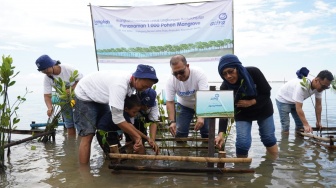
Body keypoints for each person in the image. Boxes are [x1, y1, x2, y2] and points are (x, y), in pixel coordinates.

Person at [73, 64, 159, 164]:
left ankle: (108, 157)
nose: (145, 89)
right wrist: (137, 137)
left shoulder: (131, 87)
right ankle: (84, 174)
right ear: (135, 78)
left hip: (100, 97)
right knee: (88, 135)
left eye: (148, 87)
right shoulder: (120, 85)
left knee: (105, 128)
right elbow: (117, 118)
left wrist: (146, 138)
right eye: (144, 86)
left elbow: (124, 122)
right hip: (85, 95)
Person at [215, 54, 278, 158]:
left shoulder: (254, 72)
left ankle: (273, 163)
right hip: (242, 113)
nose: (228, 76)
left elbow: (266, 93)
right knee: (242, 143)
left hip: (263, 108)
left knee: (268, 138)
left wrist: (252, 102)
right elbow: (224, 111)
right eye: (224, 74)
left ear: (238, 68)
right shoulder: (225, 86)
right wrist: (221, 133)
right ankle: (241, 169)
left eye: (231, 71)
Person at [35, 54, 83, 135]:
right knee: (69, 124)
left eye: (46, 70)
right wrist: (49, 108)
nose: (45, 73)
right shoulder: (47, 78)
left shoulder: (68, 69)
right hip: (64, 100)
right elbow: (47, 95)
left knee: (79, 122)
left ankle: (80, 145)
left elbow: (82, 81)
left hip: (78, 97)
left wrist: (71, 89)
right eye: (42, 71)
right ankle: (71, 145)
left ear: (52, 65)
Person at [275, 69, 334, 134]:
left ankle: (298, 142)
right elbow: (299, 108)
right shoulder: (302, 86)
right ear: (316, 80)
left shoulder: (320, 88)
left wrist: (318, 121)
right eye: (323, 86)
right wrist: (306, 124)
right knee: (285, 125)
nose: (324, 89)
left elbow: (318, 105)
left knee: (300, 126)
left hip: (295, 101)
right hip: (283, 99)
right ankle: (284, 142)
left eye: (326, 87)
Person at [166, 54, 209, 138]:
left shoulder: (199, 74)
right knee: (180, 132)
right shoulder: (171, 80)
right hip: (184, 105)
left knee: (206, 131)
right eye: (175, 73)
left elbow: (204, 97)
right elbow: (170, 102)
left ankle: (207, 150)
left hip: (201, 104)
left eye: (181, 72)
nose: (179, 76)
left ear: (187, 66)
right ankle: (181, 151)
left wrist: (201, 117)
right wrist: (172, 122)